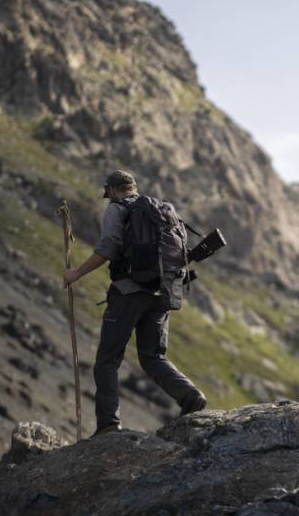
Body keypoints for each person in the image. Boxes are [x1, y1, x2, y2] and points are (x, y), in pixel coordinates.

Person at [63, 170, 207, 437]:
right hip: (162, 294)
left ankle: (108, 425)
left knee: (107, 360)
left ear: (115, 190)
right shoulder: (162, 211)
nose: (109, 199)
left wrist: (75, 274)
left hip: (129, 293)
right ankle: (190, 396)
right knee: (153, 357)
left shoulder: (119, 210)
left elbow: (107, 248)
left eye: (109, 194)